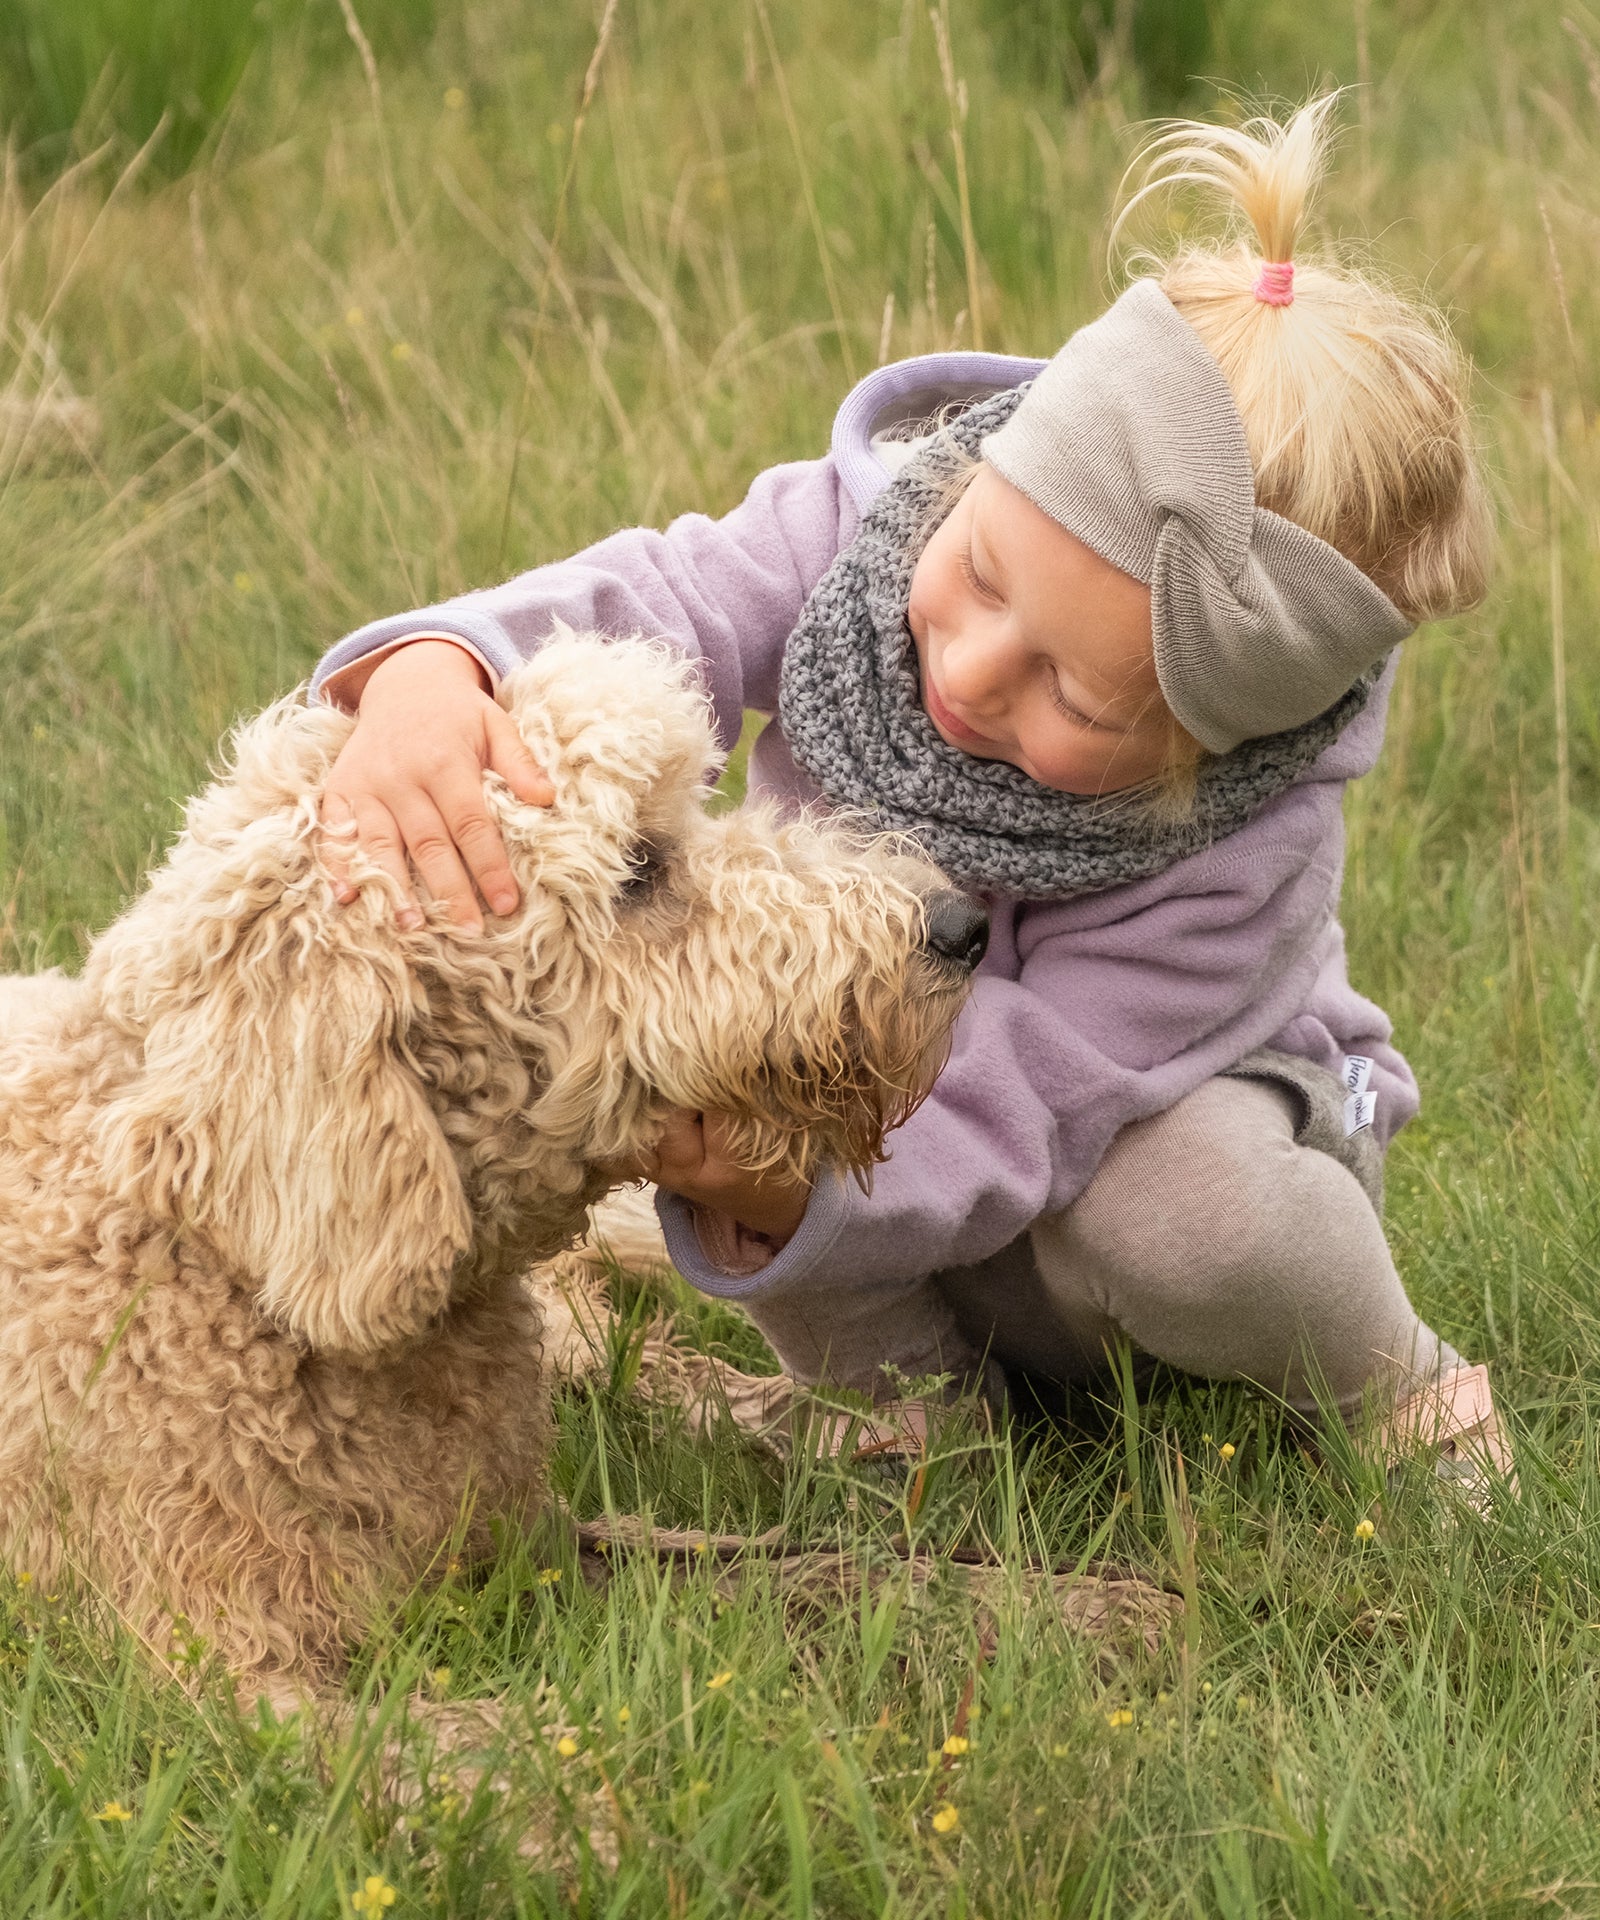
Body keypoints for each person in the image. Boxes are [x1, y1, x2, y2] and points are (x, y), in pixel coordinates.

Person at [312, 97, 1510, 1491]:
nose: (975, 665)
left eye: (1076, 694)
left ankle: (1391, 1382)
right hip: (883, 1115)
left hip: (1118, 1161)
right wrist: (437, 668)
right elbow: (658, 596)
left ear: (1211, 750)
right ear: (982, 472)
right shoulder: (875, 527)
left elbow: (1038, 1094)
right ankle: (919, 1439)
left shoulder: (1242, 849)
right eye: (986, 573)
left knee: (1184, 1223)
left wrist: (790, 1181)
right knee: (755, 1053)